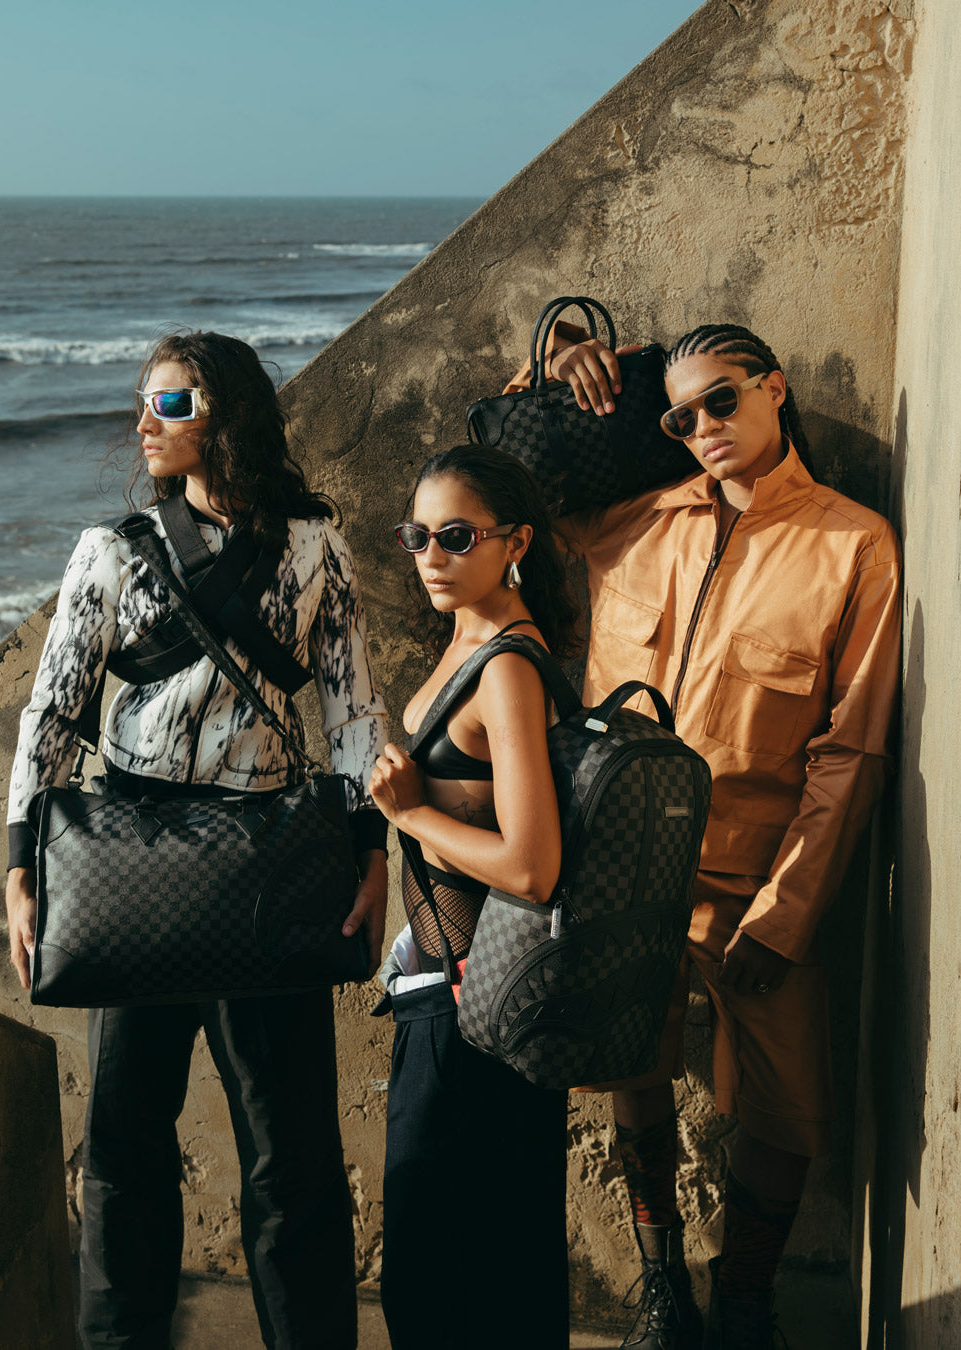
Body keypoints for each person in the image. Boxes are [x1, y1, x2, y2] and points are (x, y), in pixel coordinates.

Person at [503, 322, 901, 1349]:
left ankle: (746, 1296)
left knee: (787, 1108)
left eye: (723, 399)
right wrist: (551, 369)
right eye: (680, 418)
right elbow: (505, 487)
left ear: (775, 388)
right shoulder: (632, 521)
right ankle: (661, 1286)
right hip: (619, 865)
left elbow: (851, 752)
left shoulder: (854, 544)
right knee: (629, 1069)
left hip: (752, 878)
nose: (705, 427)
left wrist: (787, 914)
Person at [4, 330, 388, 1350]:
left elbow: (354, 711)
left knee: (294, 1156)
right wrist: (20, 867)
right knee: (124, 1146)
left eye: (170, 403)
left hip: (272, 867)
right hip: (132, 867)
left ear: (229, 414)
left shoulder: (315, 546)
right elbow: (53, 713)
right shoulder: (112, 550)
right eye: (145, 401)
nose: (145, 421)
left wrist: (371, 852)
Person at [368, 444, 581, 1350]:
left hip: (476, 1011)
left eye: (456, 537)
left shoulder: (508, 669)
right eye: (417, 536)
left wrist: (409, 812)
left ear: (515, 543)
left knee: (447, 1278)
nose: (431, 556)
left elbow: (533, 866)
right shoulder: (470, 640)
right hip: (444, 990)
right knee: (478, 1260)